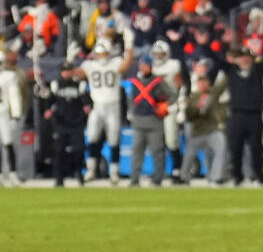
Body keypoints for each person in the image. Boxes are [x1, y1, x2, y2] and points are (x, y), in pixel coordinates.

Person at [225, 42, 263, 187]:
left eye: (246, 57)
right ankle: (237, 177)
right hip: (237, 115)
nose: (244, 60)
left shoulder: (257, 70)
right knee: (235, 148)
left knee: (256, 148)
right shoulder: (231, 71)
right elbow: (217, 60)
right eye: (241, 57)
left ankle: (258, 177)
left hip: (254, 115)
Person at [82, 41, 134, 184]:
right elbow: (75, 73)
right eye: (100, 53)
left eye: (104, 53)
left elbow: (126, 65)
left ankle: (114, 172)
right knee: (92, 138)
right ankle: (91, 170)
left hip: (113, 105)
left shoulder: (115, 63)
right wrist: (70, 60)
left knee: (114, 139)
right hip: (97, 105)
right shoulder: (90, 65)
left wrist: (129, 47)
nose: (102, 56)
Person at [127, 56, 176, 187]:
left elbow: (173, 95)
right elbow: (131, 100)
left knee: (157, 151)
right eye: (142, 65)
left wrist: (165, 105)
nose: (143, 68)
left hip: (155, 121)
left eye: (146, 65)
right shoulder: (135, 81)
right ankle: (134, 179)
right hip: (139, 120)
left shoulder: (158, 81)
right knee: (137, 152)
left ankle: (157, 179)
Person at [44, 65, 92, 187]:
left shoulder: (79, 85)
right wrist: (48, 110)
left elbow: (87, 100)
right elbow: (49, 101)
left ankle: (79, 175)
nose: (67, 74)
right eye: (65, 71)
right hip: (61, 123)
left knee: (79, 150)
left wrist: (87, 107)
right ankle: (59, 179)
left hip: (76, 123)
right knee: (59, 151)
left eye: (69, 71)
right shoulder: (55, 85)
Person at [180, 66, 227, 185]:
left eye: (205, 82)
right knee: (189, 154)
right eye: (201, 82)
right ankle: (184, 177)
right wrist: (197, 108)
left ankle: (216, 178)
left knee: (221, 149)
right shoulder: (193, 97)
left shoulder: (213, 93)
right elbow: (188, 116)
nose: (203, 84)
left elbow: (223, 84)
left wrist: (228, 67)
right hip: (198, 131)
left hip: (212, 130)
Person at [151, 40, 186, 183]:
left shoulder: (173, 65)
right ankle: (159, 172)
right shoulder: (150, 66)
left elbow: (180, 86)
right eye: (156, 54)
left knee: (172, 141)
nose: (159, 57)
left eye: (161, 54)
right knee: (156, 143)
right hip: (155, 109)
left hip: (170, 106)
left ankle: (177, 171)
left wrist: (180, 107)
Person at [0, 51, 23, 185]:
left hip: (3, 112)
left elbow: (14, 97)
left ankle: (13, 173)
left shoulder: (8, 76)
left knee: (8, 142)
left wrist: (15, 115)